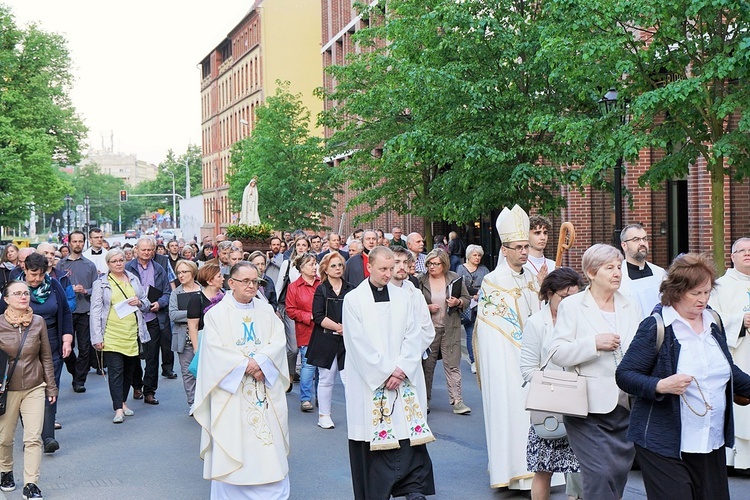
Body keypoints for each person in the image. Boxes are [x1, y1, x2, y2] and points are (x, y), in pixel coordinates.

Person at [617, 252, 750, 500]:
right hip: (662, 443)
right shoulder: (656, 326)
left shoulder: (713, 322)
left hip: (710, 441)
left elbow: (728, 371)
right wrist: (660, 385)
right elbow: (625, 375)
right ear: (677, 291)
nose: (703, 300)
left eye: (707, 292)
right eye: (695, 293)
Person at [342, 246, 436, 499]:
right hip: (371, 381)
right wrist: (385, 372)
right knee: (375, 441)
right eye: (383, 269)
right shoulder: (353, 300)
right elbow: (356, 343)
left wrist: (402, 369)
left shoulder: (404, 297)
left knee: (406, 437)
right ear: (369, 267)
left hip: (402, 379)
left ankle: (412, 488)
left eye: (390, 268)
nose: (388, 274)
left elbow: (414, 333)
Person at [549, 243, 641, 499]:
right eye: (609, 267)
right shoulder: (573, 306)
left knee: (617, 473)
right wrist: (593, 344)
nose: (617, 273)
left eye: (619, 267)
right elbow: (557, 352)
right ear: (590, 273)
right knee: (598, 474)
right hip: (587, 408)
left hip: (627, 404)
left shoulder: (630, 304)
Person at [194, 261, 290, 498]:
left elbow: (278, 341)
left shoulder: (266, 311)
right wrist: (248, 364)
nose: (251, 285)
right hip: (232, 395)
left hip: (262, 390)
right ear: (231, 283)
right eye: (246, 281)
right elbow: (213, 352)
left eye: (255, 281)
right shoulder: (216, 315)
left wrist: (262, 362)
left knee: (267, 447)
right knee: (233, 440)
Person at [474, 205, 542, 490]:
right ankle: (513, 473)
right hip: (509, 362)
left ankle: (537, 474)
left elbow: (538, 317)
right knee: (513, 415)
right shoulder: (493, 281)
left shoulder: (530, 277)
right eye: (519, 247)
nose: (525, 251)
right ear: (505, 249)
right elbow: (495, 331)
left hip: (532, 359)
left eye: (527, 246)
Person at [519, 268, 584, 500]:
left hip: (580, 404)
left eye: (575, 297)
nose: (569, 303)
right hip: (549, 405)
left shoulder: (583, 320)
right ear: (549, 293)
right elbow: (527, 369)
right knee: (543, 468)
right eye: (564, 298)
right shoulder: (536, 323)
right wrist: (556, 385)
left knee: (581, 469)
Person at [0, 253, 72, 457]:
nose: (37, 279)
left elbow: (65, 312)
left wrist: (67, 338)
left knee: (50, 386)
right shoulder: (14, 290)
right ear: (25, 270)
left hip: (52, 341)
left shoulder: (54, 286)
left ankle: (48, 436)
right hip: (21, 347)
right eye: (33, 274)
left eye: (41, 274)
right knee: (28, 389)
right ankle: (33, 433)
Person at [0, 281, 58, 500]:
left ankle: (31, 484)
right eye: (17, 293)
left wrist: (51, 386)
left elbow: (46, 356)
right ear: (6, 299)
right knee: (4, 439)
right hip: (8, 389)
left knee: (33, 438)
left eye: (26, 293)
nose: (23, 296)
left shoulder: (38, 322)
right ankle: (5, 471)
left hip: (35, 385)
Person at [90, 249, 151, 424]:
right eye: (114, 261)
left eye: (121, 260)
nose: (118, 263)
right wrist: (97, 337)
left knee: (128, 371)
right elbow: (95, 312)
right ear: (108, 264)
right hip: (111, 333)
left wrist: (139, 302)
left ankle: (123, 402)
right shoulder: (101, 284)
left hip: (132, 332)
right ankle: (117, 408)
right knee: (115, 371)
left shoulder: (133, 279)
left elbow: (145, 302)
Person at [710, 237, 750, 468]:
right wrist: (740, 321)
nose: (747, 253)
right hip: (739, 354)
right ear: (732, 257)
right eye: (741, 250)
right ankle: (737, 461)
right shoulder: (721, 286)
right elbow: (712, 319)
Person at [419, 248, 471, 415]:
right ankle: (424, 400)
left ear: (444, 264)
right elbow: (412, 304)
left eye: (436, 264)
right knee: (427, 365)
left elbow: (467, 299)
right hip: (428, 329)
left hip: (451, 328)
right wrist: (426, 307)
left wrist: (458, 302)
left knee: (453, 364)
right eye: (429, 264)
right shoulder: (421, 280)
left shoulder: (454, 278)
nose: (432, 267)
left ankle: (457, 401)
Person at [307, 252, 354, 429]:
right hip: (325, 338)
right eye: (333, 266)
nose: (337, 269)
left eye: (340, 265)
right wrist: (339, 327)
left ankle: (356, 415)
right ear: (325, 269)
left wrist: (347, 329)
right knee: (326, 378)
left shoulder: (350, 289)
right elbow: (318, 316)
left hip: (346, 341)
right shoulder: (321, 289)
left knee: (349, 379)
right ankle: (324, 415)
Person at [125, 237, 173, 405]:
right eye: (143, 250)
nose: (146, 253)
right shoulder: (127, 268)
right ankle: (136, 385)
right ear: (136, 250)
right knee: (134, 355)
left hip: (153, 318)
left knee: (152, 356)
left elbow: (167, 292)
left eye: (149, 250)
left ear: (154, 251)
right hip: (133, 318)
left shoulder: (160, 268)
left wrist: (159, 303)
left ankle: (149, 391)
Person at [55, 230, 98, 394]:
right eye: (75, 241)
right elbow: (56, 284)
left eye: (81, 241)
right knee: (67, 347)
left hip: (84, 310)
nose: (78, 244)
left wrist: (85, 290)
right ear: (69, 243)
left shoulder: (89, 265)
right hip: (65, 312)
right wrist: (69, 289)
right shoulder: (61, 265)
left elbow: (97, 287)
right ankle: (75, 370)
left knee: (85, 347)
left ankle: (80, 380)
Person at [284, 252, 321, 412]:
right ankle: (306, 398)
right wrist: (309, 316)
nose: (315, 267)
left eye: (315, 264)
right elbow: (291, 310)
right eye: (311, 264)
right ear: (301, 268)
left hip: (324, 329)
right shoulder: (294, 287)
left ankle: (321, 394)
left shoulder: (322, 283)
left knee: (323, 366)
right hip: (306, 330)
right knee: (309, 365)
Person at [275, 235, 310, 382]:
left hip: (308, 308)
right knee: (293, 347)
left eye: (303, 245)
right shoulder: (287, 264)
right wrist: (276, 307)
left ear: (308, 247)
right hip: (291, 307)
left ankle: (306, 379)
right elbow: (279, 285)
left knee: (307, 347)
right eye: (298, 245)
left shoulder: (314, 264)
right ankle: (290, 374)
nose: (301, 247)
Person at [169, 260, 202, 411]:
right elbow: (173, 315)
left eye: (184, 272)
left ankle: (205, 401)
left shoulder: (202, 290)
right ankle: (193, 403)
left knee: (204, 370)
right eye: (179, 273)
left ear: (193, 273)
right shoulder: (176, 293)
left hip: (202, 335)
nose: (181, 275)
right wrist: (194, 313)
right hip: (184, 337)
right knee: (187, 372)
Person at [618, 223, 666, 319]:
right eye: (636, 240)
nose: (642, 243)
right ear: (624, 245)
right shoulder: (618, 275)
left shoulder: (660, 273)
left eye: (644, 239)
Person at [456, 244, 490, 374]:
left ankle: (483, 360)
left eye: (479, 255)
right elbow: (459, 285)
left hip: (481, 305)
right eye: (475, 255)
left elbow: (488, 285)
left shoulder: (484, 270)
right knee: (470, 334)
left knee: (482, 334)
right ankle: (473, 361)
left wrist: (480, 294)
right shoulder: (461, 269)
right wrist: (471, 295)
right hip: (467, 306)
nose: (477, 258)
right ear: (469, 256)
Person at [526, 215, 556, 284]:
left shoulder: (554, 265)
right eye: (537, 233)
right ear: (527, 235)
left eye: (545, 233)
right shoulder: (522, 266)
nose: (543, 237)